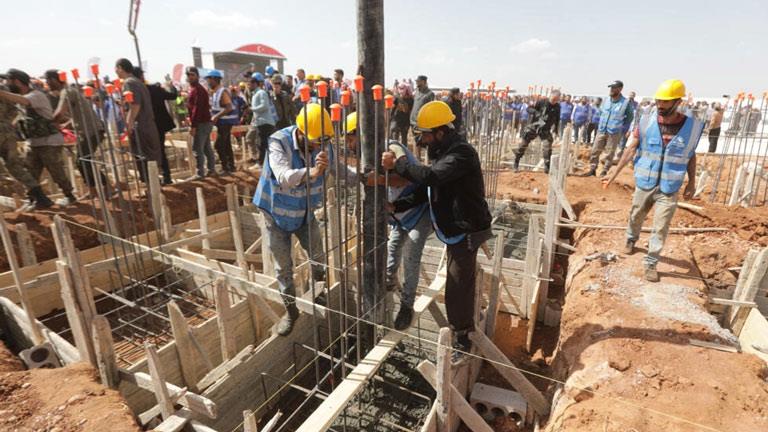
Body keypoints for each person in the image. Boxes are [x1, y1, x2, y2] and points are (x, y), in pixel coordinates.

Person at [382, 100, 492, 363]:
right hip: (452, 226)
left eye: (426, 135)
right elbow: (426, 190)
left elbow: (431, 178)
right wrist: (399, 204)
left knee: (457, 286)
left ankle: (462, 337)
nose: (422, 140)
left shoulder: (461, 154)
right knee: (460, 279)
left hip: (466, 229)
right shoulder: (443, 151)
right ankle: (462, 328)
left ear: (440, 132)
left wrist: (399, 163)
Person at [603, 79, 703, 282]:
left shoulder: (691, 127)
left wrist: (692, 182)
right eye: (658, 101)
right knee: (636, 213)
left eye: (665, 102)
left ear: (677, 102)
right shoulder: (646, 121)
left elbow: (690, 155)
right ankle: (631, 239)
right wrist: (613, 174)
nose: (660, 105)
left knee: (661, 225)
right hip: (645, 180)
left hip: (670, 186)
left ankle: (651, 262)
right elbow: (630, 149)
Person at [344, 111, 431, 330]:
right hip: (400, 215)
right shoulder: (370, 154)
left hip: (419, 211)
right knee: (392, 249)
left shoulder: (392, 148)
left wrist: (380, 180)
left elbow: (404, 178)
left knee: (411, 258)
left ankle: (406, 306)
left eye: (350, 137)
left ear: (360, 133)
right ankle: (388, 286)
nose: (348, 143)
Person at [253, 103, 333, 336]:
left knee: (318, 256)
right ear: (301, 132)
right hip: (275, 215)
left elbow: (339, 169)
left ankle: (318, 292)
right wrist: (313, 172)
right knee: (283, 267)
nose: (319, 146)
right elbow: (283, 176)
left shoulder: (323, 143)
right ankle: (291, 310)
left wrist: (363, 177)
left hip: (304, 213)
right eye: (315, 141)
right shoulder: (278, 142)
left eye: (322, 141)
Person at [0, 68, 75, 206]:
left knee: (56, 172)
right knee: (30, 171)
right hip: (34, 143)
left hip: (49, 142)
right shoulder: (18, 99)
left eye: (9, 82)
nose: (6, 84)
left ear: (17, 82)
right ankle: (36, 199)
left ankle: (69, 195)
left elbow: (24, 101)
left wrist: (2, 93)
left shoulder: (35, 95)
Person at [46, 69, 109, 197]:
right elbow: (77, 115)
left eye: (48, 81)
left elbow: (59, 112)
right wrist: (65, 125)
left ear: (53, 80)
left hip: (90, 131)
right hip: (90, 131)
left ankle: (105, 187)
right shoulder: (71, 91)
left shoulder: (67, 91)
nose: (47, 84)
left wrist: (48, 123)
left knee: (82, 161)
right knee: (85, 160)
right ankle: (96, 190)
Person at [0, 75, 52, 209]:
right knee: (15, 166)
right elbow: (14, 111)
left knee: (14, 166)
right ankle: (40, 196)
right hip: (7, 132)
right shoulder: (4, 90)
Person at [115, 58, 162, 183]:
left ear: (120, 68)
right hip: (147, 125)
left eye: (116, 68)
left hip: (140, 126)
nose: (115, 71)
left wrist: (128, 125)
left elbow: (135, 106)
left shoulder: (129, 83)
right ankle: (153, 186)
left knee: (142, 158)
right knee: (149, 158)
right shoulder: (138, 82)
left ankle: (150, 187)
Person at [134, 69, 178, 184]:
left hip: (146, 126)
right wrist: (171, 85)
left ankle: (154, 179)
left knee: (147, 152)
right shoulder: (155, 89)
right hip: (158, 125)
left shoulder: (138, 92)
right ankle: (165, 177)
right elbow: (173, 95)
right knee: (159, 151)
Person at [587, 80, 634, 176]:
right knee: (595, 149)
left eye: (614, 88)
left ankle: (604, 170)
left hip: (614, 132)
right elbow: (601, 112)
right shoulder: (606, 100)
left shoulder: (625, 102)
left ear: (620, 89)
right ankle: (592, 168)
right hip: (602, 130)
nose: (611, 90)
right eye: (611, 88)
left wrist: (621, 127)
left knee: (610, 152)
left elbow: (629, 117)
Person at [513, 91, 561, 173]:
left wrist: (556, 130)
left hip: (545, 129)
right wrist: (536, 113)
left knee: (547, 147)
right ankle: (516, 163)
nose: (554, 101)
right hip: (534, 126)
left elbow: (557, 119)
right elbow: (529, 109)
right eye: (553, 99)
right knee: (522, 146)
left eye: (556, 100)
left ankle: (547, 167)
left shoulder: (557, 107)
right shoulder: (542, 101)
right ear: (550, 96)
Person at [185, 66, 216, 179]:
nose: (190, 77)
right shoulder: (195, 89)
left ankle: (200, 173)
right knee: (207, 147)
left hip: (201, 123)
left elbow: (196, 110)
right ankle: (211, 170)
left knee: (197, 148)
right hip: (204, 122)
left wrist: (193, 126)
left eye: (192, 74)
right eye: (188, 75)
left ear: (197, 76)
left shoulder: (198, 90)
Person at [206, 70, 238, 174]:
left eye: (209, 79)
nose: (208, 82)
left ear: (215, 80)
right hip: (222, 123)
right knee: (226, 144)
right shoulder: (215, 92)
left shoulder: (222, 92)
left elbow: (229, 107)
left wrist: (216, 116)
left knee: (219, 145)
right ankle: (231, 166)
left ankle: (226, 168)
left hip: (225, 123)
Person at [245, 72, 276, 166]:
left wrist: (251, 109)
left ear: (255, 84)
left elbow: (264, 106)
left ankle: (261, 163)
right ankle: (264, 163)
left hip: (265, 123)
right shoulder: (255, 94)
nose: (248, 86)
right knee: (262, 143)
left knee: (262, 144)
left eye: (249, 84)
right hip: (260, 122)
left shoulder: (261, 93)